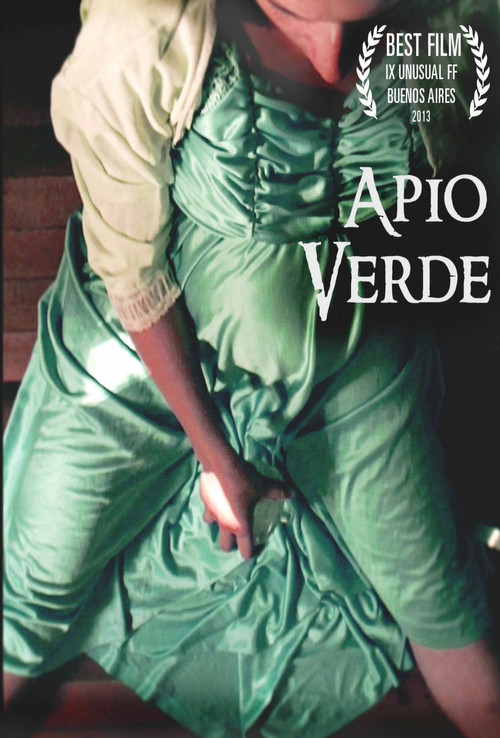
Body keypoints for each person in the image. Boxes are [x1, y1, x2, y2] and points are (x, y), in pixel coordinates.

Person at [4, 0, 500, 736]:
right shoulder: (144, 30)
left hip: (351, 345)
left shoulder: (463, 19)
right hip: (151, 351)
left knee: (447, 613)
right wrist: (215, 454)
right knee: (30, 597)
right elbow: (135, 276)